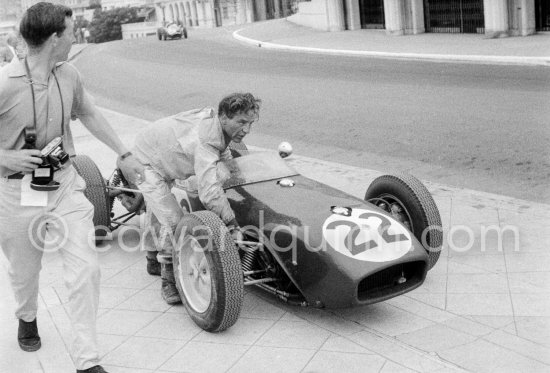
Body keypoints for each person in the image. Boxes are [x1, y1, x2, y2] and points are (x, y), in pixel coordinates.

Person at [0, 3, 143, 373]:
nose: (75, 35)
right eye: (71, 30)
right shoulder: (4, 83)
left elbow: (90, 113)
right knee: (24, 270)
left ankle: (86, 361)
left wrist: (123, 152)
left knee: (86, 268)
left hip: (63, 182)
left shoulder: (70, 75)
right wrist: (5, 158)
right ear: (53, 38)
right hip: (17, 191)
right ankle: (26, 314)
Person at [131, 93, 260, 304]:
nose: (246, 130)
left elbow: (226, 163)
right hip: (144, 162)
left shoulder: (217, 125)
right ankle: (168, 279)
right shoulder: (207, 141)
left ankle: (152, 259)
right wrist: (232, 222)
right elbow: (209, 193)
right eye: (242, 122)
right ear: (224, 117)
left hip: (159, 149)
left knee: (159, 209)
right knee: (173, 220)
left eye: (250, 123)